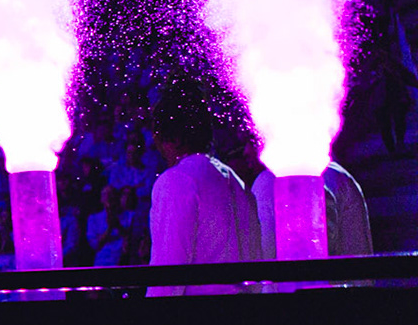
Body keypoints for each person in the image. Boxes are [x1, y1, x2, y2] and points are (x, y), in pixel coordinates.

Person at [147, 88, 261, 295]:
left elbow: (168, 270)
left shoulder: (176, 180)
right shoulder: (236, 181)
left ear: (172, 138)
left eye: (157, 136)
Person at [251, 161, 373, 258]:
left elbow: (266, 250)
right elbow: (359, 247)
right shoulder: (342, 177)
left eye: (250, 143)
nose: (245, 151)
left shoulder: (267, 183)